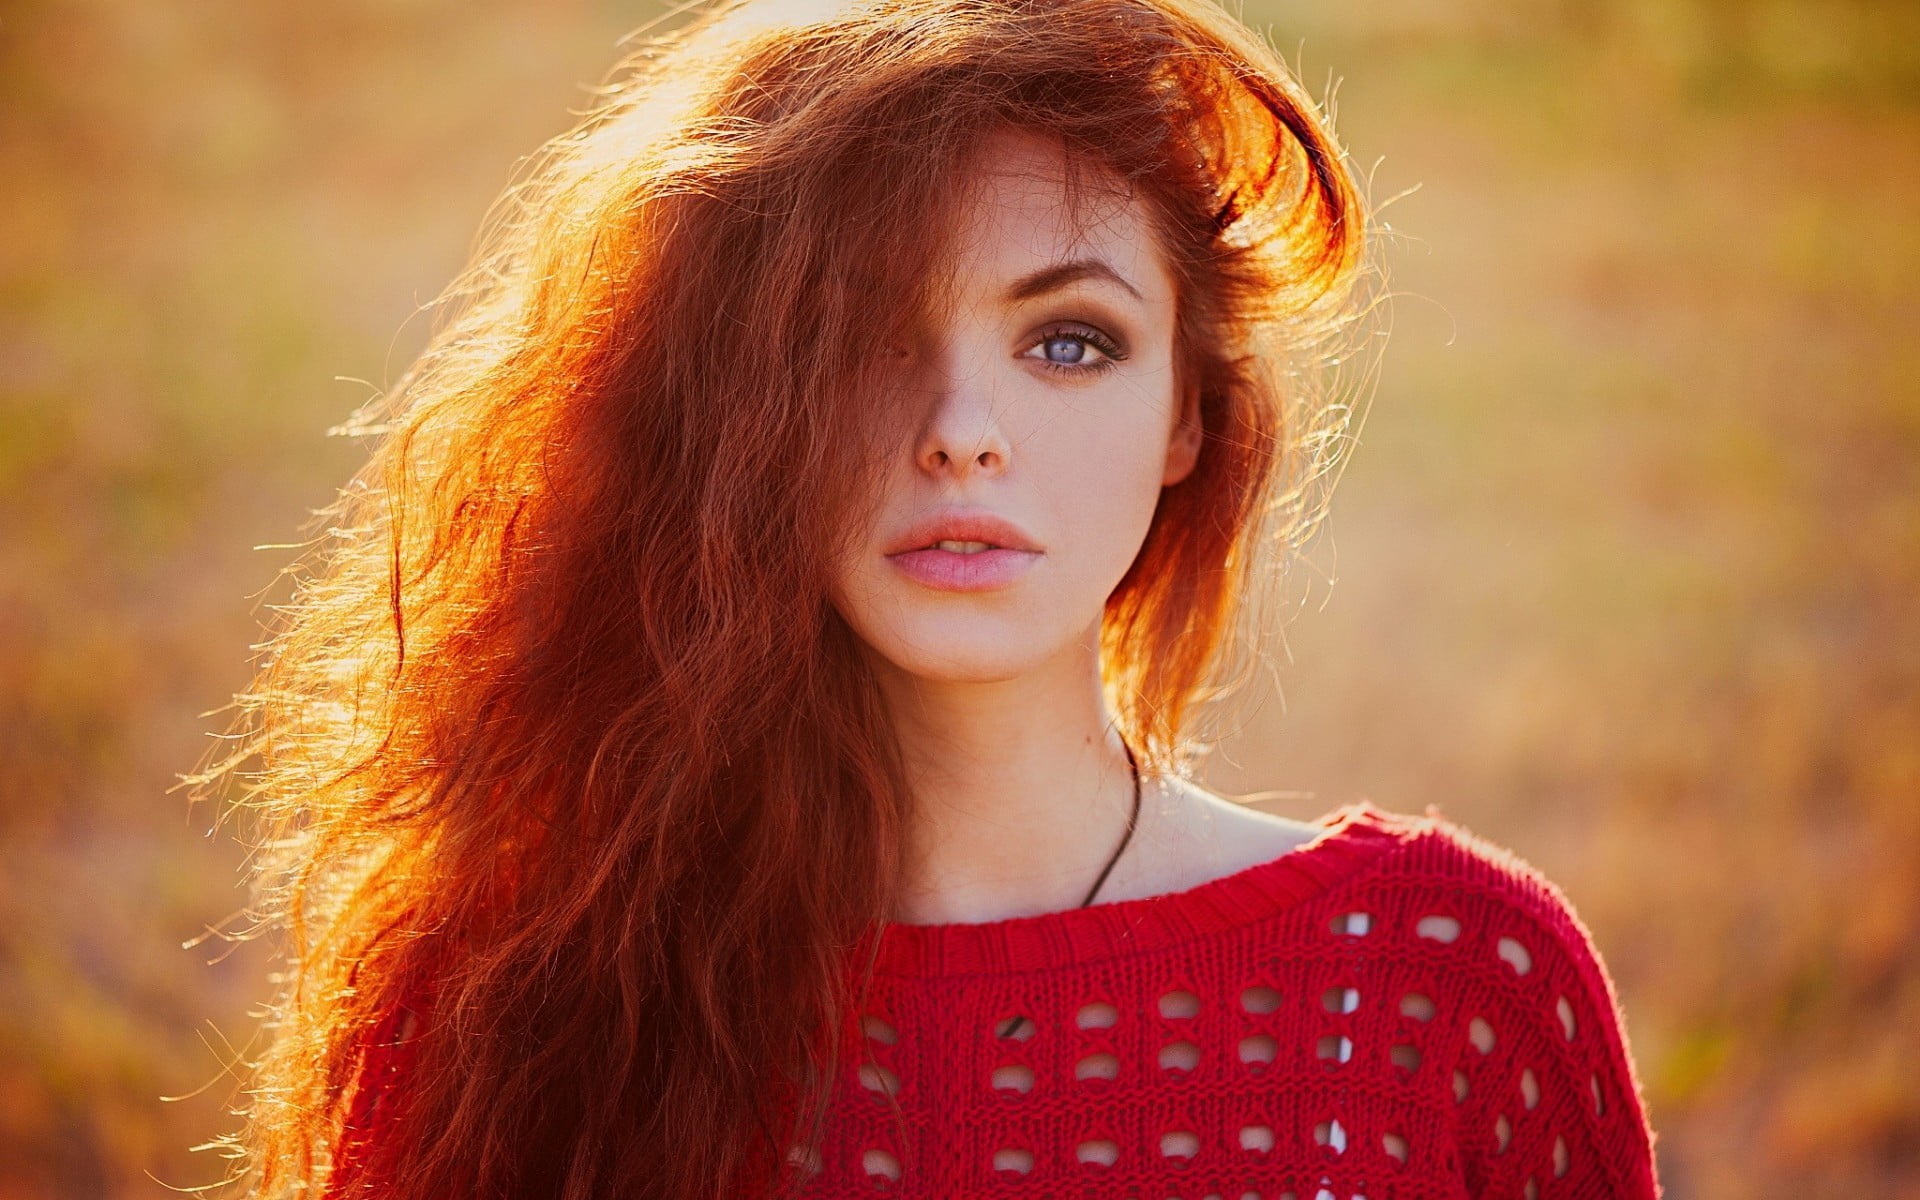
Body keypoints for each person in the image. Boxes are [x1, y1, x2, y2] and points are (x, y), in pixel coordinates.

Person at [192, 0, 1663, 1196]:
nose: (962, 430)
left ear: (1186, 418)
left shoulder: (1446, 993)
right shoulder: (514, 1002)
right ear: (736, 405)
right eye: (861, 338)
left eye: (1069, 342)